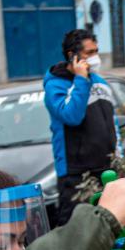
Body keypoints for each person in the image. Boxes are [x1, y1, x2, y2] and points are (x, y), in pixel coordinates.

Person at [44, 29, 119, 226]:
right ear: (72, 55)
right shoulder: (56, 86)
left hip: (106, 171)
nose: (95, 57)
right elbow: (72, 116)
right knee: (75, 232)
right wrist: (80, 79)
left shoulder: (100, 82)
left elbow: (113, 122)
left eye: (96, 51)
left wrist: (118, 153)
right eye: (89, 53)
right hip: (76, 176)